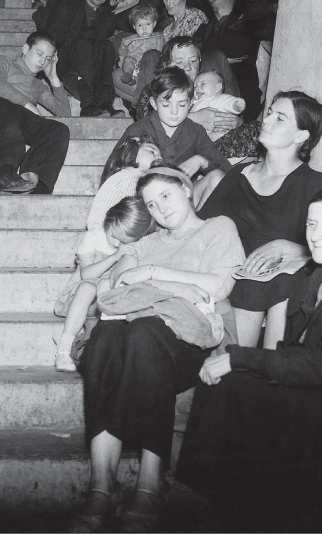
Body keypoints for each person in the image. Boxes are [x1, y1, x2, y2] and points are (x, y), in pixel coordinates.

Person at [177, 185, 322, 532]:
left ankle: (222, 505)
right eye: (312, 225)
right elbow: (296, 351)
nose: (316, 235)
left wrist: (241, 358)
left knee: (235, 382)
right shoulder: (319, 275)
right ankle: (217, 501)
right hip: (320, 394)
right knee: (225, 381)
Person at [70, 168, 244, 533]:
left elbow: (218, 286)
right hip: (134, 334)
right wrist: (178, 287)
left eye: (165, 196)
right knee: (103, 337)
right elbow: (116, 291)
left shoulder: (217, 227)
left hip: (187, 341)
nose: (160, 209)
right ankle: (102, 487)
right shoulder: (144, 242)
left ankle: (150, 485)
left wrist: (152, 274)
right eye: (151, 203)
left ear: (186, 189)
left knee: (144, 332)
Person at [198, 91, 322, 349]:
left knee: (272, 282)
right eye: (269, 113)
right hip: (224, 272)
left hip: (269, 283)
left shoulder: (314, 183)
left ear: (301, 136)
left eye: (280, 118)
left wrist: (284, 246)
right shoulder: (239, 174)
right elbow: (203, 227)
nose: (267, 120)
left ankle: (247, 366)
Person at [53, 145, 161, 371]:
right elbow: (86, 274)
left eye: (125, 242)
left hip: (110, 301)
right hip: (82, 297)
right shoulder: (94, 237)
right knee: (88, 287)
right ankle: (63, 349)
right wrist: (114, 257)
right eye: (114, 237)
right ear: (108, 222)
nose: (117, 244)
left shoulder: (135, 246)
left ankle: (99, 346)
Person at [111, 67, 229, 207]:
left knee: (217, 178)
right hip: (146, 202)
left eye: (182, 104)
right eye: (166, 104)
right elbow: (113, 169)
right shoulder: (138, 130)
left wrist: (202, 161)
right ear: (154, 104)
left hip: (183, 200)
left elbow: (226, 169)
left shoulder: (196, 131)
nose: (174, 111)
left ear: (190, 104)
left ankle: (196, 227)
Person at [0, 31, 72, 195]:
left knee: (59, 130)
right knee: (2, 107)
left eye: (48, 58)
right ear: (25, 49)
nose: (42, 61)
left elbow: (64, 113)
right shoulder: (4, 61)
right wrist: (29, 106)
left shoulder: (38, 86)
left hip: (21, 119)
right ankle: (5, 173)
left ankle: (35, 182)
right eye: (39, 53)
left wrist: (53, 78)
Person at [34, 0, 123, 117]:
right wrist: (81, 36)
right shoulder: (67, 5)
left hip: (91, 68)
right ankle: (88, 104)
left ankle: (105, 103)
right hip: (66, 62)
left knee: (106, 46)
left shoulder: (107, 18)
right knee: (83, 43)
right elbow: (52, 37)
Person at [130, 36, 240, 133]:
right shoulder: (153, 89)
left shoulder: (205, 88)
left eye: (193, 61)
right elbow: (143, 123)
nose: (187, 67)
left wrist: (236, 122)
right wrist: (192, 119)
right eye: (179, 62)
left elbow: (235, 118)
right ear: (166, 64)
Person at [202, 0, 267, 121]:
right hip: (203, 89)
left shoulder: (248, 20)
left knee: (213, 55)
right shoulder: (205, 28)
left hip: (239, 94)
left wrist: (212, 53)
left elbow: (237, 47)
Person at [117, 5, 165, 87]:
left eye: (148, 24)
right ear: (134, 26)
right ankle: (128, 74)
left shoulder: (159, 37)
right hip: (135, 65)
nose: (144, 29)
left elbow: (165, 49)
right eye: (140, 25)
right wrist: (122, 57)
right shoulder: (130, 40)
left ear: (154, 24)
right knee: (128, 59)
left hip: (151, 66)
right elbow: (122, 50)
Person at [191, 70, 245, 141]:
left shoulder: (215, 99)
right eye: (195, 87)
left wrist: (236, 105)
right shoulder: (195, 103)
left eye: (203, 84)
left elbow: (226, 101)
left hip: (219, 136)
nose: (197, 88)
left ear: (218, 88)